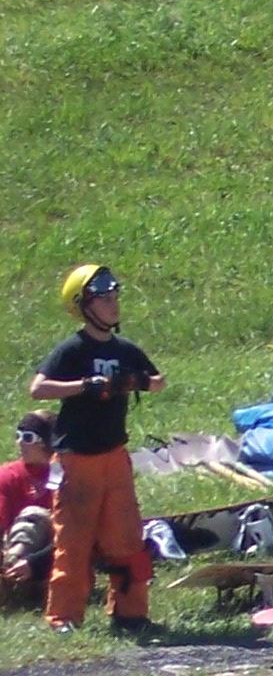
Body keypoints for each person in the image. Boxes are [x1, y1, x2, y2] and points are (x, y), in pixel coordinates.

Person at [29, 265, 161, 633]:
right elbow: (38, 389)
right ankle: (64, 617)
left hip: (114, 456)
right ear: (83, 306)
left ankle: (130, 613)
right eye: (104, 299)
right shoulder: (72, 349)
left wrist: (135, 381)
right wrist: (85, 385)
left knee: (128, 538)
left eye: (115, 298)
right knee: (73, 541)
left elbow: (158, 381)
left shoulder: (124, 349)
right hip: (76, 460)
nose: (114, 305)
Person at [1, 414, 56, 610]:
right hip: (12, 548)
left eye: (28, 437)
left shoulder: (67, 476)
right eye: (18, 435)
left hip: (54, 552)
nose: (19, 442)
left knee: (35, 515)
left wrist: (34, 563)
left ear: (47, 442)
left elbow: (75, 535)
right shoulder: (8, 475)